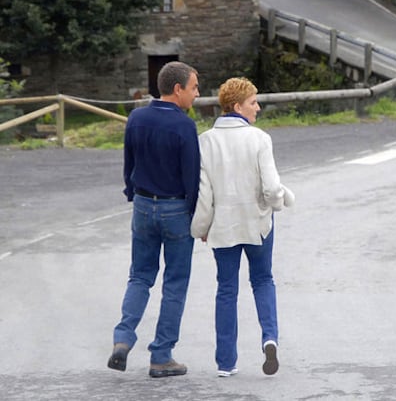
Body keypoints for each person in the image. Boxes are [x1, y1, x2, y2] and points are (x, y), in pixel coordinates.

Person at [191, 77, 294, 377]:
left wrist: (202, 228)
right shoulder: (260, 139)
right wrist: (275, 205)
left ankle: (226, 362)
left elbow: (204, 193)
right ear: (237, 106)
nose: (258, 108)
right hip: (257, 223)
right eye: (253, 102)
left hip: (223, 226)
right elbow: (272, 188)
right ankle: (269, 339)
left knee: (226, 289)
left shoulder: (205, 141)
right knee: (262, 280)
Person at [108, 61, 200, 378]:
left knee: (140, 277)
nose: (196, 94)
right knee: (174, 284)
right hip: (176, 209)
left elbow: (128, 164)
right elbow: (192, 178)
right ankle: (161, 356)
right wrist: (198, 217)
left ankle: (122, 339)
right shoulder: (185, 126)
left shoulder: (136, 118)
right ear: (178, 89)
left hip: (144, 205)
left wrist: (133, 193)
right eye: (194, 88)